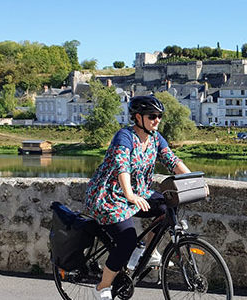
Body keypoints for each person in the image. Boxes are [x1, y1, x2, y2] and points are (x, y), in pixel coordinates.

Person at [84, 95, 192, 300]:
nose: (157, 120)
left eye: (159, 116)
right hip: (109, 196)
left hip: (137, 192)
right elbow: (121, 166)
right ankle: (102, 287)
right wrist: (129, 194)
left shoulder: (155, 138)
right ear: (137, 117)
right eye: (152, 116)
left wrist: (194, 180)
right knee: (126, 239)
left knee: (166, 205)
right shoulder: (124, 136)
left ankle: (148, 253)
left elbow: (172, 161)